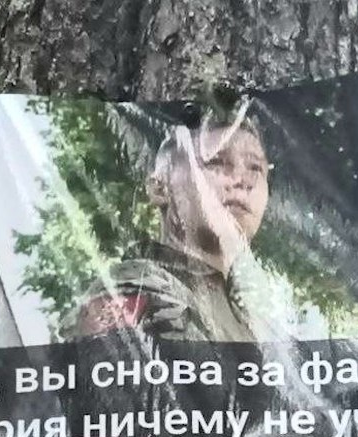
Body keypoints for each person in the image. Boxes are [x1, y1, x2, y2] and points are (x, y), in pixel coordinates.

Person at [67, 107, 286, 343]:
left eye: (255, 168)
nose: (242, 180)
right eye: (216, 161)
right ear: (159, 188)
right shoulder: (137, 288)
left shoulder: (255, 320)